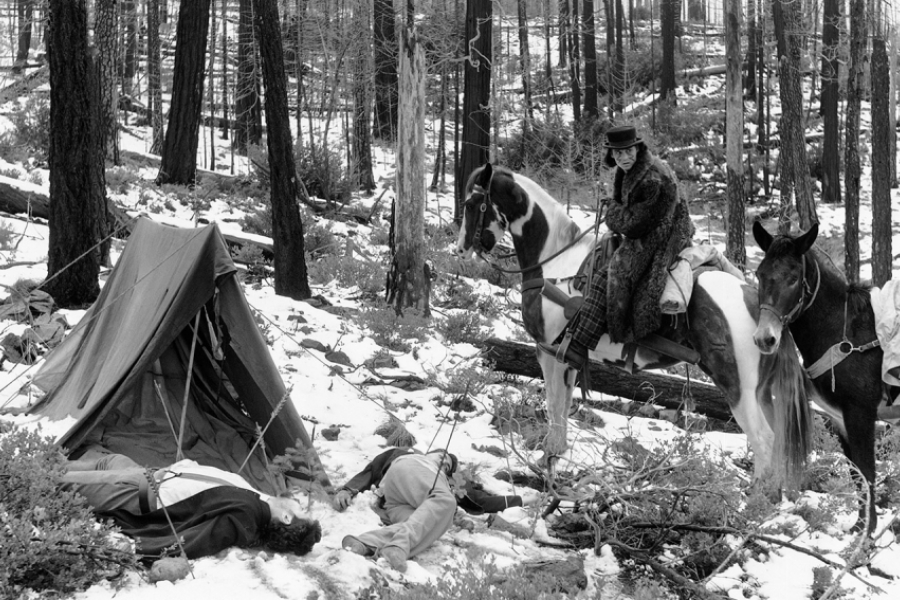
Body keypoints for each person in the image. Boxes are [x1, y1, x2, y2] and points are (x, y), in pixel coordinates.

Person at [539, 124, 695, 369]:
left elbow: (634, 224)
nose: (623, 157)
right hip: (652, 225)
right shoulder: (631, 170)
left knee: (615, 273)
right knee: (605, 255)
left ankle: (581, 346)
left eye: (628, 150)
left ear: (637, 148)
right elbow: (628, 210)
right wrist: (616, 207)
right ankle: (579, 339)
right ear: (612, 154)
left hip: (666, 233)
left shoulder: (652, 178)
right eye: (618, 153)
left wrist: (613, 212)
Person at [60, 446, 322, 561]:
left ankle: (27, 478)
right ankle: (38, 463)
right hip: (147, 473)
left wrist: (141, 548)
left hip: (139, 492)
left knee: (62, 483)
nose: (293, 501)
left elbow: (194, 540)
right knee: (107, 459)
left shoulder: (246, 519)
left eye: (298, 509)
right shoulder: (258, 502)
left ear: (286, 518)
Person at [332, 447, 523, 572]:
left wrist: (519, 499)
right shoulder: (420, 461)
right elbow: (372, 468)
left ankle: (363, 543)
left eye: (448, 465)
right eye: (445, 460)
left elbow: (481, 500)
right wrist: (348, 489)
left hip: (394, 500)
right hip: (409, 471)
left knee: (421, 525)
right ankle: (397, 547)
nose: (445, 464)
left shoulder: (444, 478)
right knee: (446, 502)